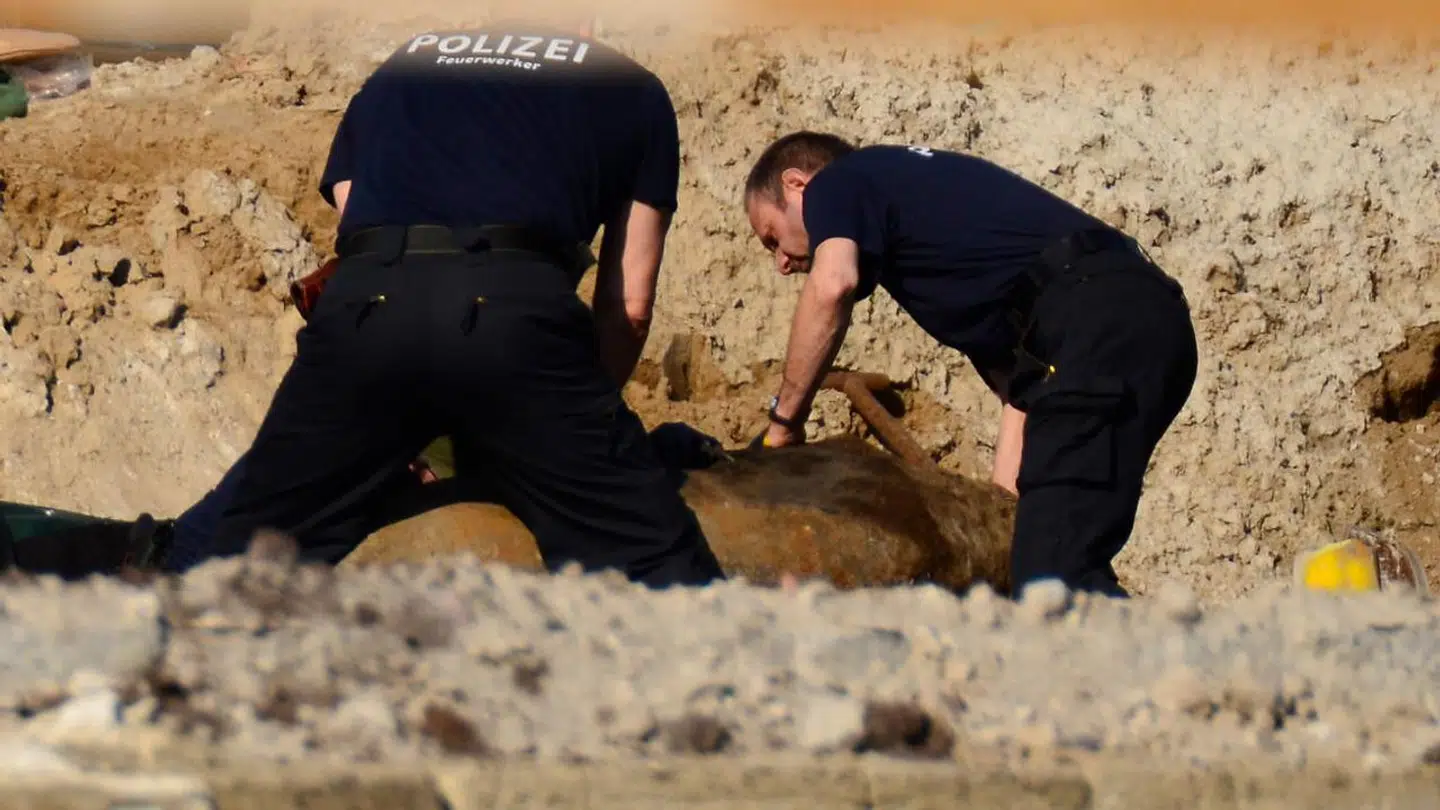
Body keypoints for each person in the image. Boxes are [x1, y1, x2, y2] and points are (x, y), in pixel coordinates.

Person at [200, 15, 725, 588]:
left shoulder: (408, 60)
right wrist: (572, 427)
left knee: (241, 560)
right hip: (513, 312)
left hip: (368, 304)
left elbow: (353, 214)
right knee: (659, 567)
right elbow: (629, 305)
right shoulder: (631, 86)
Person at [741, 131, 1198, 599]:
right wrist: (1003, 516)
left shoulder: (840, 181)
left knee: (1055, 580)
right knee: (1042, 569)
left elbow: (833, 285)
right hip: (1137, 326)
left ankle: (1184, 669)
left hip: (1101, 318)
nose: (780, 263)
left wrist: (784, 423)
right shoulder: (942, 243)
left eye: (772, 237)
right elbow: (1023, 392)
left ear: (797, 185)